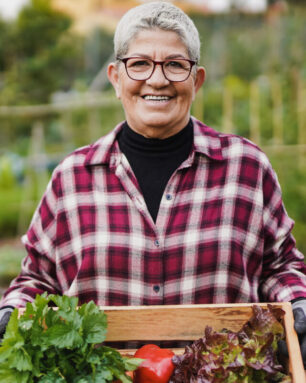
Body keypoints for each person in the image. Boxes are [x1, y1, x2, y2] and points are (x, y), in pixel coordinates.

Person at [0, 0, 305, 365]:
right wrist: (11, 313)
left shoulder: (247, 169)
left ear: (197, 80)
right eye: (140, 64)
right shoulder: (72, 178)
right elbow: (39, 281)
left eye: (175, 65)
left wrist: (299, 303)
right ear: (116, 78)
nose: (157, 79)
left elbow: (280, 266)